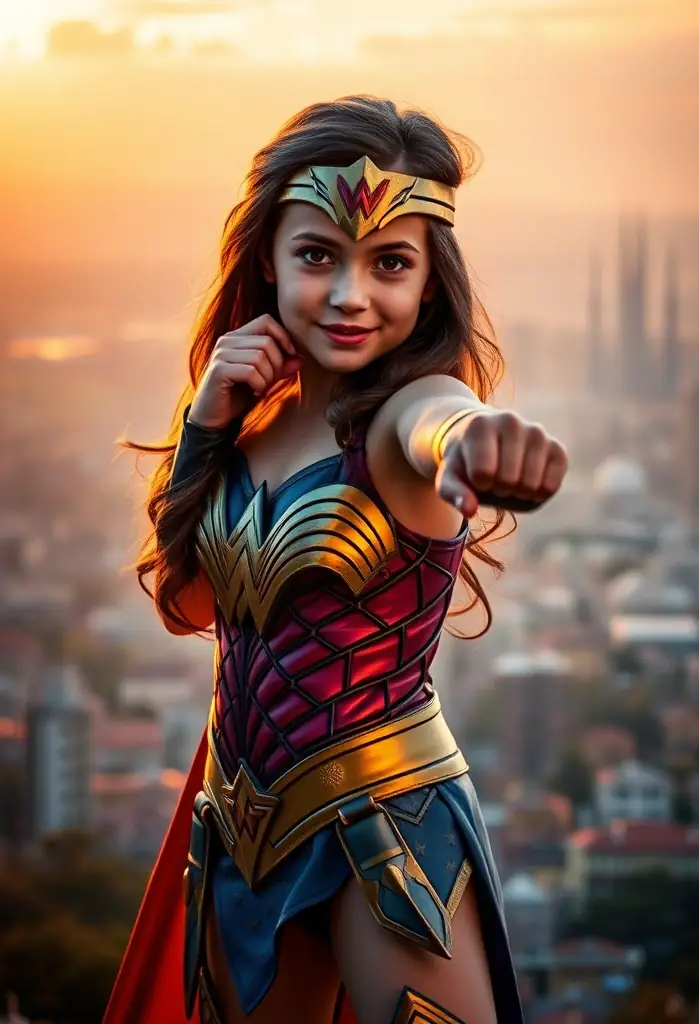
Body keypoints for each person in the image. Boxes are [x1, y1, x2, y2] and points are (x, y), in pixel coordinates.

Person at [106, 95, 568, 1024]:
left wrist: (481, 445)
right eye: (318, 255)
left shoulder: (406, 416)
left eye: (390, 263)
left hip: (384, 832)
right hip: (239, 826)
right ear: (267, 263)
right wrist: (206, 424)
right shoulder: (251, 426)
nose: (352, 295)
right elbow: (188, 607)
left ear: (430, 283)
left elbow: (444, 424)